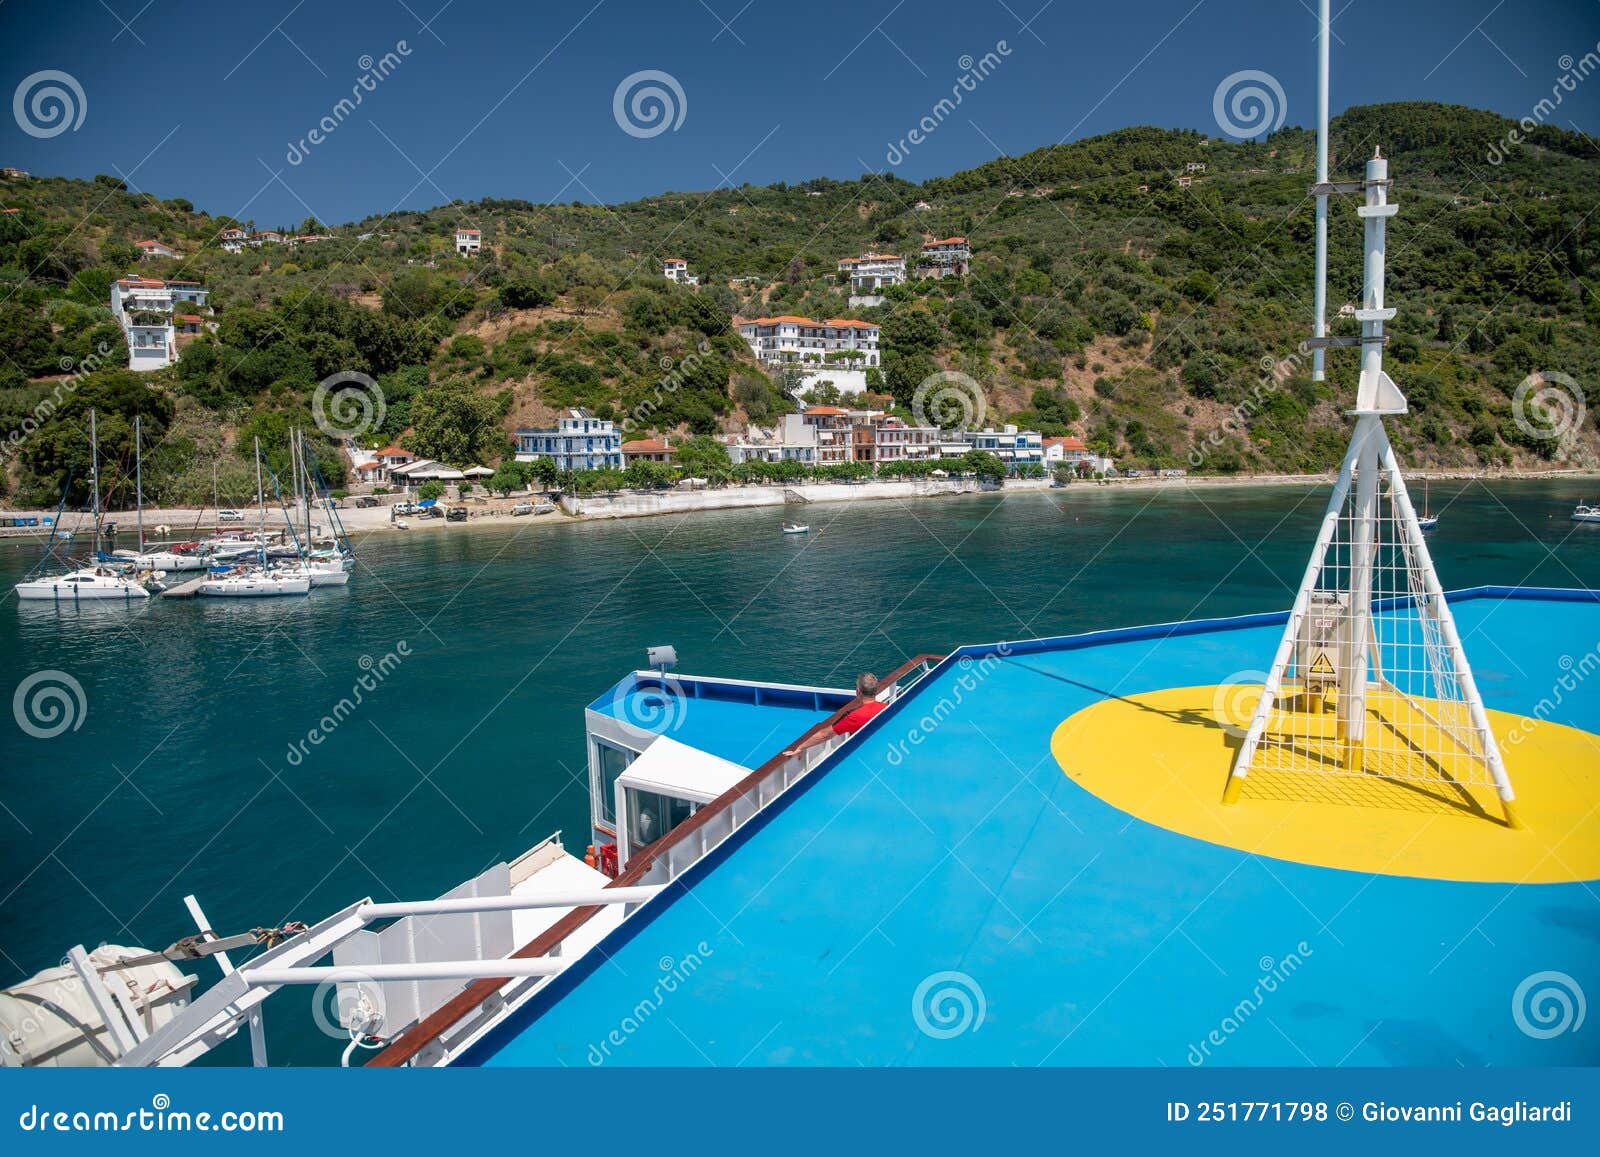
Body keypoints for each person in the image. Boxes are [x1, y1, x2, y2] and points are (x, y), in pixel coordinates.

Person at [781, 673, 885, 758]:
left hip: (863, 754)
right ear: (875, 691)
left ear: (858, 691)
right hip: (881, 749)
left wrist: (800, 748)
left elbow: (824, 735)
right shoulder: (886, 707)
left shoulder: (853, 716)